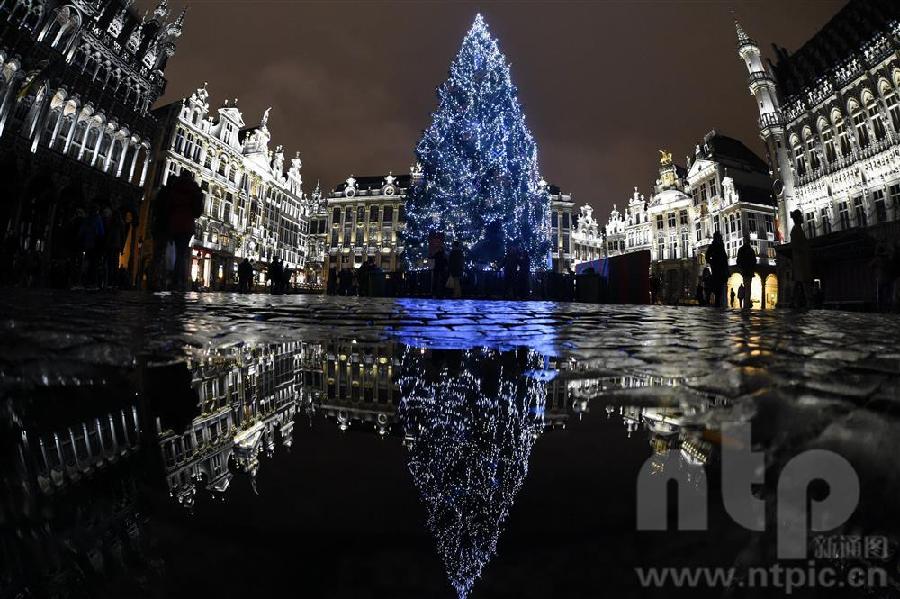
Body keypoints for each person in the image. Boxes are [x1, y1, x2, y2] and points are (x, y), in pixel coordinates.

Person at [159, 172, 203, 291]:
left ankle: (168, 280)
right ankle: (179, 282)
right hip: (187, 224)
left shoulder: (174, 187)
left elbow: (167, 207)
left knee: (170, 252)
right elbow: (198, 211)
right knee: (181, 254)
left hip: (174, 222)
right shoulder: (195, 190)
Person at [789, 209, 811, 310]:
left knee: (798, 281)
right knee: (803, 281)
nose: (802, 217)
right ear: (797, 218)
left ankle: (793, 300)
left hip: (800, 260)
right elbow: (796, 246)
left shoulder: (798, 229)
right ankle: (808, 301)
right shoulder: (795, 231)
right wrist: (804, 248)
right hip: (799, 260)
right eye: (800, 216)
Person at [705, 231, 728, 307]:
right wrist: (711, 261)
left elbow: (724, 257)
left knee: (719, 284)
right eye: (719, 237)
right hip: (716, 267)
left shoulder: (721, 245)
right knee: (717, 284)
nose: (720, 238)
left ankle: (718, 301)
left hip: (720, 267)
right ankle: (717, 301)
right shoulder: (714, 246)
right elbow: (707, 255)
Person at [736, 230, 757, 311]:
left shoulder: (741, 250)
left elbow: (738, 261)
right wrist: (753, 269)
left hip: (744, 271)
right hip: (749, 271)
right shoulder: (751, 250)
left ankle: (746, 304)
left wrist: (740, 269)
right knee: (748, 288)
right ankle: (747, 304)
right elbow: (754, 261)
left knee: (746, 287)